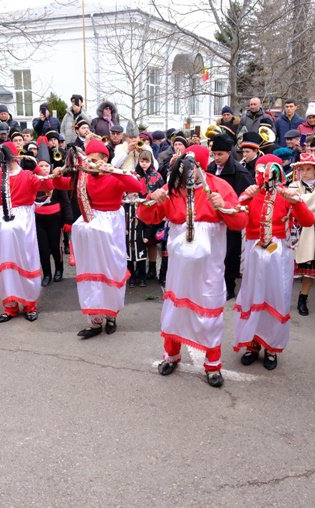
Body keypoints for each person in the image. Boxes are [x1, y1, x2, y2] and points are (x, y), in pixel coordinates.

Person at [138, 144, 249, 387]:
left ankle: (212, 365)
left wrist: (224, 206)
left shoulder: (219, 187)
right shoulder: (172, 188)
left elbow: (240, 222)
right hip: (178, 268)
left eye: (194, 167)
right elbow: (147, 216)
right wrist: (151, 199)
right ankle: (171, 356)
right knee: (175, 311)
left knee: (209, 313)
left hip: (209, 268)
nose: (189, 173)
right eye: (187, 167)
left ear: (202, 165)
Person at [52, 139, 143, 338]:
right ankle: (94, 321)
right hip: (91, 226)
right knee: (91, 271)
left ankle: (111, 316)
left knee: (111, 269)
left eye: (93, 159)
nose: (89, 163)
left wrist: (113, 171)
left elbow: (137, 186)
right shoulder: (83, 178)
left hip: (111, 227)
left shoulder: (114, 175)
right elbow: (61, 184)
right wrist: (57, 174)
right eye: (87, 159)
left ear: (104, 159)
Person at [233, 154, 314, 371]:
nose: (264, 178)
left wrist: (296, 202)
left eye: (268, 174)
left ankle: (272, 347)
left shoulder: (287, 195)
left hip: (279, 254)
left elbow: (307, 221)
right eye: (260, 173)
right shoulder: (251, 194)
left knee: (276, 298)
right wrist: (242, 200)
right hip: (253, 251)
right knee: (252, 297)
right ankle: (252, 343)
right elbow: (234, 220)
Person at [0, 141, 53, 322]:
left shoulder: (27, 175)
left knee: (26, 262)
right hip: (3, 223)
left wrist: (36, 169)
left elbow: (49, 186)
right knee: (5, 264)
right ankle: (10, 305)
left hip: (23, 224)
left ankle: (30, 304)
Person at [208, 133, 253, 300]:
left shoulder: (239, 172)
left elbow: (247, 196)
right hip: (213, 218)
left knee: (230, 252)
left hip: (231, 216)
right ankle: (214, 282)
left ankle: (229, 285)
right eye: (214, 154)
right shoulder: (210, 168)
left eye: (220, 154)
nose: (217, 158)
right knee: (214, 252)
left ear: (229, 153)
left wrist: (233, 208)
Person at [288, 153, 315, 316]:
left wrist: (307, 205)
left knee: (309, 271)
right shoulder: (293, 186)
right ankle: (280, 300)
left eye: (308, 169)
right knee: (287, 270)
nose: (304, 172)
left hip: (314, 234)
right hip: (296, 233)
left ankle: (303, 298)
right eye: (302, 169)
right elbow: (294, 204)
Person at [34, 138, 73, 286]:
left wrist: (68, 220)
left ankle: (59, 269)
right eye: (40, 166)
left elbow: (65, 202)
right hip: (39, 219)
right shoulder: (34, 180)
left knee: (55, 246)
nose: (43, 168)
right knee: (43, 248)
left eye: (45, 166)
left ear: (50, 166)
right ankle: (47, 274)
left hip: (55, 219)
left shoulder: (56, 180)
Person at [125, 149, 164, 287]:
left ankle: (152, 268)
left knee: (152, 241)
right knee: (137, 241)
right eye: (142, 161)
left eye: (147, 161)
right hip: (137, 211)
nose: (144, 164)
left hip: (154, 211)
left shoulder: (157, 176)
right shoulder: (134, 175)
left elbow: (162, 192)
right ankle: (135, 271)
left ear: (151, 161)